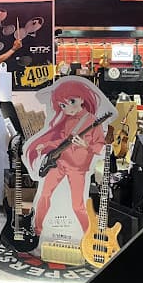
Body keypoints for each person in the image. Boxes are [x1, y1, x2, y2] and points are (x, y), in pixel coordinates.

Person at [22, 77, 108, 236]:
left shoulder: (92, 121)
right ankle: (38, 230)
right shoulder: (68, 121)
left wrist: (86, 145)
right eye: (63, 105)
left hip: (78, 169)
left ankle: (89, 235)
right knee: (44, 195)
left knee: (77, 205)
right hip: (60, 163)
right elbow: (61, 142)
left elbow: (101, 147)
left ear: (82, 99)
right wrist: (46, 145)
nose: (68, 108)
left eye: (71, 101)